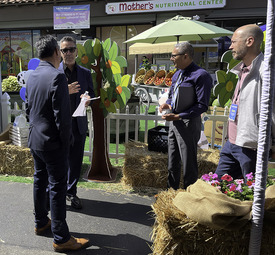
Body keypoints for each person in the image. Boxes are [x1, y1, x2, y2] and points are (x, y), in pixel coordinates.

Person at [25, 35, 89, 252]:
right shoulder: (57, 76)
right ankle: (61, 238)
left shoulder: (32, 75)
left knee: (39, 181)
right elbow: (62, 116)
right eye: (62, 51)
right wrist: (66, 141)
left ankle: (41, 222)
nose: (64, 55)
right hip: (53, 143)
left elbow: (28, 109)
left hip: (36, 139)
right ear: (56, 52)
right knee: (58, 187)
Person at [215, 24, 272, 181]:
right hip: (231, 142)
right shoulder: (241, 69)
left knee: (253, 193)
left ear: (250, 41)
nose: (230, 46)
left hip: (251, 146)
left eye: (234, 42)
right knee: (216, 185)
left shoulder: (266, 72)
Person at [159, 42, 213, 190]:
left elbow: (202, 105)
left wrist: (179, 116)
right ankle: (171, 192)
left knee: (189, 163)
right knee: (172, 161)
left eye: (173, 55)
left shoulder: (201, 76)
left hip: (188, 124)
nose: (171, 59)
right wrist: (167, 105)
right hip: (174, 123)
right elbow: (172, 97)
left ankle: (190, 196)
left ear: (185, 56)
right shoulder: (177, 74)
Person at [58, 36, 95, 209]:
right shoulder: (54, 73)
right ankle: (58, 193)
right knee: (60, 161)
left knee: (75, 161)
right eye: (65, 50)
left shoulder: (85, 73)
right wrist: (65, 91)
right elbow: (49, 97)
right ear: (60, 52)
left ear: (77, 52)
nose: (69, 53)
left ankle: (71, 192)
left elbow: (92, 95)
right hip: (60, 125)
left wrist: (88, 100)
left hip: (78, 124)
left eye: (72, 49)